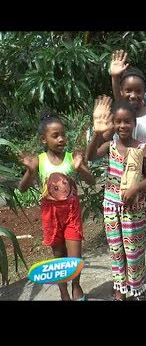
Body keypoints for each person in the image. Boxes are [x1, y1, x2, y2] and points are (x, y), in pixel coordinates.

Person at [18, 111, 95, 301]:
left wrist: (81, 168)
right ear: (44, 139)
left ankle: (76, 287)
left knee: (75, 257)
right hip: (51, 215)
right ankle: (63, 292)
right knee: (59, 256)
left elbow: (92, 181)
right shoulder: (39, 161)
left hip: (71, 213)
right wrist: (30, 171)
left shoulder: (71, 158)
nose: (61, 139)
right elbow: (22, 188)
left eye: (63, 134)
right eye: (55, 135)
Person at [109, 57, 146, 297]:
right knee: (124, 234)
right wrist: (114, 76)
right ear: (122, 92)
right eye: (128, 90)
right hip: (122, 180)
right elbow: (116, 101)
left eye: (138, 90)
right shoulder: (121, 115)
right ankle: (125, 283)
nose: (133, 95)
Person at [86, 96, 146, 301]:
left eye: (127, 121)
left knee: (134, 250)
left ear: (134, 123)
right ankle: (120, 288)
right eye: (118, 121)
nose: (122, 125)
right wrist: (96, 135)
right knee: (117, 249)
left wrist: (136, 188)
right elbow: (90, 157)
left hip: (133, 208)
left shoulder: (142, 148)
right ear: (113, 124)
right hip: (111, 206)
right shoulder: (110, 145)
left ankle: (136, 288)